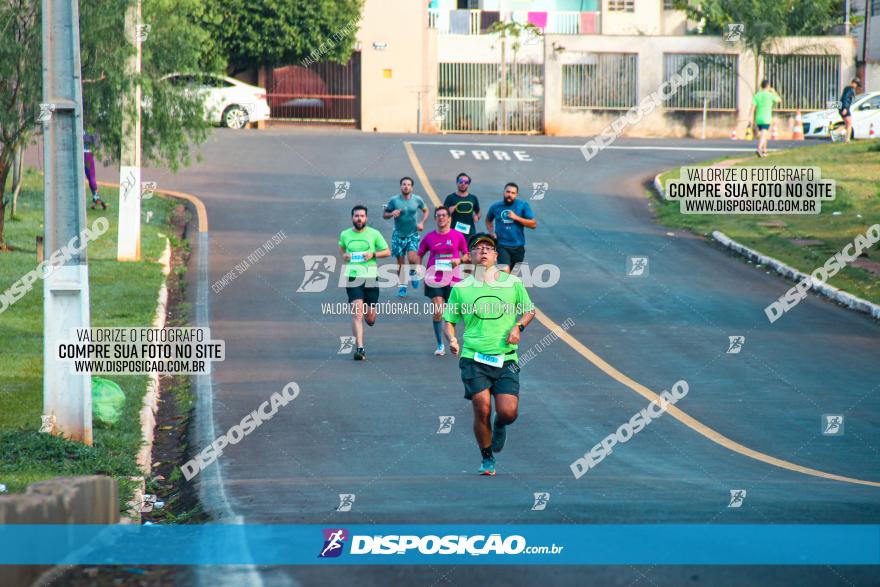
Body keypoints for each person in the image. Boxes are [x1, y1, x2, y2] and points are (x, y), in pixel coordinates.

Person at [443, 233, 535, 476]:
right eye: (477, 248)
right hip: (474, 357)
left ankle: (500, 424)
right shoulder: (461, 288)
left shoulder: (512, 283)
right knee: (481, 407)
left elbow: (529, 311)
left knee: (508, 412)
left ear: (495, 255)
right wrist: (452, 339)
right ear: (470, 256)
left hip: (506, 358)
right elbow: (449, 320)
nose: (483, 251)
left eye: (488, 248)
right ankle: (487, 458)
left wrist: (518, 327)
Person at [339, 205, 390, 361]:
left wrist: (372, 254)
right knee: (357, 313)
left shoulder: (374, 234)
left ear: (366, 218)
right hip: (353, 277)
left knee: (369, 317)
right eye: (356, 216)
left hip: (370, 277)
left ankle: (371, 317)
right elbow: (341, 248)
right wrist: (345, 256)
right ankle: (360, 348)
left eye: (361, 216)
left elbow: (387, 251)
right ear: (352, 218)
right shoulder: (345, 234)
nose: (359, 218)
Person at [418, 206, 469, 356]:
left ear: (449, 218)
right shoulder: (429, 237)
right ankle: (440, 345)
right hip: (434, 278)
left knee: (452, 313)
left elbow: (467, 255)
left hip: (453, 279)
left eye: (444, 215)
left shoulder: (458, 236)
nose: (441, 218)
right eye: (438, 215)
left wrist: (458, 260)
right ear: (435, 218)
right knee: (438, 310)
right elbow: (420, 253)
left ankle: (452, 338)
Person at [383, 177, 428, 298]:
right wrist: (392, 213)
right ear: (400, 186)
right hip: (398, 236)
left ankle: (413, 272)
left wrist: (422, 223)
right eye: (404, 184)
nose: (406, 186)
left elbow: (426, 210)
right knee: (401, 263)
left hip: (412, 234)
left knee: (413, 259)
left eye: (408, 184)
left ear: (412, 187)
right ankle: (402, 286)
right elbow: (385, 215)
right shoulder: (394, 200)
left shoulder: (417, 200)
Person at [484, 182, 537, 274]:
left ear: (516, 194)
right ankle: (501, 286)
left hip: (518, 246)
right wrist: (491, 231)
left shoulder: (522, 205)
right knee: (504, 272)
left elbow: (533, 224)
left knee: (513, 275)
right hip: (502, 245)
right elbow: (488, 220)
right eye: (508, 192)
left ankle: (506, 286)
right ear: (504, 192)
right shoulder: (495, 207)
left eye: (513, 193)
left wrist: (516, 217)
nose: (510, 195)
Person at [750, 80, 782, 157]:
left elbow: (752, 108)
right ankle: (759, 148)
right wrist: (773, 91)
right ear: (768, 86)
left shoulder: (757, 95)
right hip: (766, 117)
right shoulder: (770, 95)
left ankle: (764, 151)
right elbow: (779, 100)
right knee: (764, 134)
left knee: (763, 134)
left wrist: (750, 117)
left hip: (758, 118)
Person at [443, 172, 481, 237]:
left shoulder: (473, 198)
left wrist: (477, 217)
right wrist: (448, 211)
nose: (463, 184)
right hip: (453, 232)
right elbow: (442, 215)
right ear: (457, 183)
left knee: (469, 247)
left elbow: (478, 212)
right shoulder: (450, 198)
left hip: (469, 232)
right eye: (461, 181)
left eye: (466, 182)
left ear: (468, 184)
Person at [83, 132, 107, 210]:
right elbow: (95, 142)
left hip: (81, 155)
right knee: (91, 176)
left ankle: (95, 199)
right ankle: (96, 197)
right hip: (87, 157)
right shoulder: (87, 129)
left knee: (89, 177)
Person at [839, 78, 861, 142]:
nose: (856, 86)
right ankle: (847, 139)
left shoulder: (847, 88)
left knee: (848, 124)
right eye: (856, 84)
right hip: (845, 108)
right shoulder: (850, 89)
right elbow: (845, 98)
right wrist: (845, 108)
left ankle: (836, 133)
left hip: (843, 107)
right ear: (853, 83)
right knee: (849, 124)